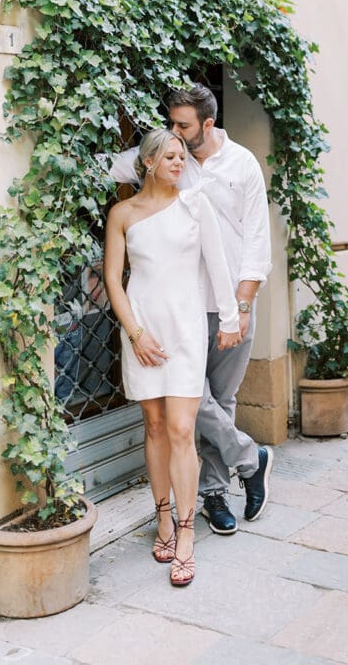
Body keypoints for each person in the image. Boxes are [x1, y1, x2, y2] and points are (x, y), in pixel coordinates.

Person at [111, 84, 273, 536]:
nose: (173, 132)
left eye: (182, 125)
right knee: (194, 403)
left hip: (229, 303)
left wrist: (239, 308)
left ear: (207, 124)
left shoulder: (242, 166)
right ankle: (250, 458)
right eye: (170, 125)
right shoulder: (169, 155)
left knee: (219, 399)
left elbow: (257, 243)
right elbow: (115, 166)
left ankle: (215, 494)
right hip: (180, 306)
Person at [104, 128, 240, 586]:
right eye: (170, 157)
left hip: (184, 332)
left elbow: (218, 265)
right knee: (156, 426)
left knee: (182, 428)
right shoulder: (122, 214)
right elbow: (113, 282)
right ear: (147, 163)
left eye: (183, 156)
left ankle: (185, 531)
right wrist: (136, 334)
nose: (180, 163)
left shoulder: (195, 204)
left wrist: (229, 318)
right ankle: (161, 515)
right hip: (143, 333)